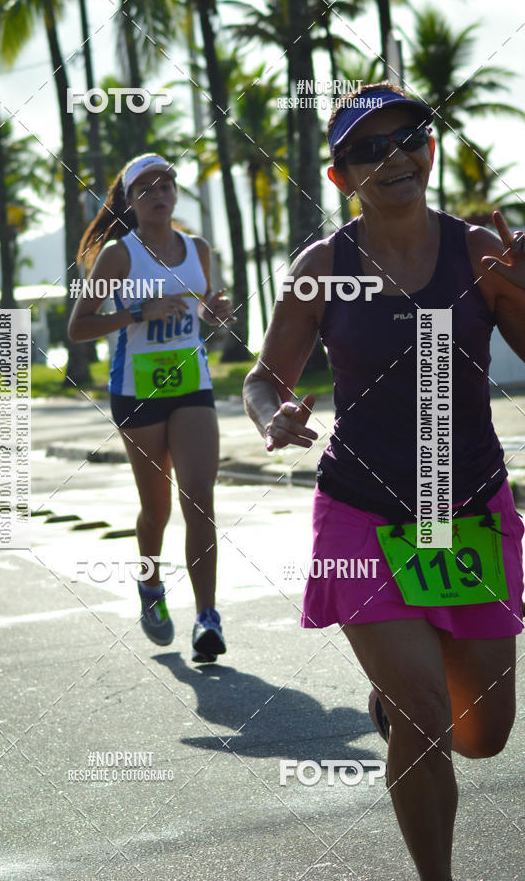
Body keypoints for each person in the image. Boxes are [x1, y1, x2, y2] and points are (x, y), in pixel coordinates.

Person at [243, 82, 525, 881]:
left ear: (429, 150)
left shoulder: (479, 251)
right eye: (369, 149)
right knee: (426, 719)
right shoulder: (323, 266)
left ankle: (394, 703)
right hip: (362, 513)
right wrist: (272, 416)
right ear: (341, 177)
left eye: (409, 138)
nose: (394, 157)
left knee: (484, 736)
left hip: (466, 508)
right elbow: (264, 378)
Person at [69, 153, 235, 662]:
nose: (158, 195)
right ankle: (150, 584)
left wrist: (214, 313)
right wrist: (138, 312)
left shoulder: (197, 248)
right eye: (146, 188)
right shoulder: (119, 255)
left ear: (175, 194)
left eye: (166, 186)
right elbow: (78, 328)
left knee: (199, 499)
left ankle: (207, 618)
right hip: (137, 390)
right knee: (156, 509)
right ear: (130, 201)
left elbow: (201, 312)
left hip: (191, 385)